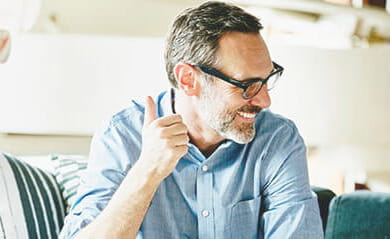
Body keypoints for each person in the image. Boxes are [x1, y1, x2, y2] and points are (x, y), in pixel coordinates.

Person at [60, 1, 323, 238]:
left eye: (266, 79)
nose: (265, 101)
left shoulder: (277, 139)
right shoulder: (122, 135)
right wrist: (147, 171)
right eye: (247, 85)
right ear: (188, 79)